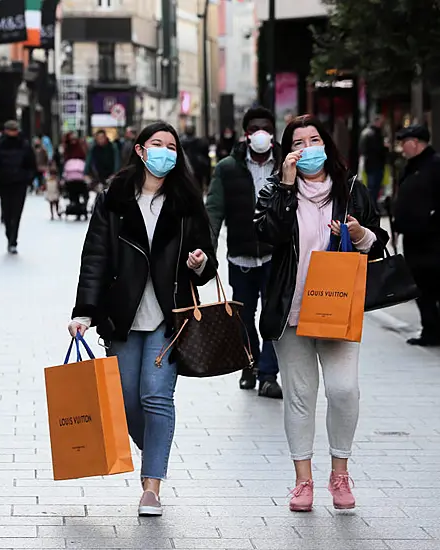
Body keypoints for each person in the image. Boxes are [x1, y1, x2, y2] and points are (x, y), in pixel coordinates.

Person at [68, 122, 217, 516]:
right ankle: (151, 443)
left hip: (170, 316)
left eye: (172, 146)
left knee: (155, 396)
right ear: (139, 150)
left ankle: (151, 486)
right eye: (157, 144)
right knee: (127, 400)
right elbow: (95, 257)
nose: (165, 151)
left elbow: (207, 256)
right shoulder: (114, 198)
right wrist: (84, 312)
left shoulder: (187, 200)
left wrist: (199, 263)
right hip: (123, 315)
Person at [255, 115, 388, 513]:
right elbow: (266, 234)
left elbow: (377, 240)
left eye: (315, 139)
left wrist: (361, 234)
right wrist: (286, 185)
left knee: (344, 390)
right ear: (288, 151)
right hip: (291, 310)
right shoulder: (277, 189)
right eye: (300, 142)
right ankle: (303, 481)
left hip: (337, 307)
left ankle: (340, 471)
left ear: (326, 144)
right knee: (299, 396)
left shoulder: (350, 190)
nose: (309, 147)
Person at [206, 106, 283, 398]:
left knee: (272, 316)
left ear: (272, 132)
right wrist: (208, 251)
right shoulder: (228, 167)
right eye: (254, 129)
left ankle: (268, 374)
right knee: (243, 316)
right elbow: (213, 211)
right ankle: (248, 364)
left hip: (275, 256)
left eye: (265, 127)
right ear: (246, 134)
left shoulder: (285, 163)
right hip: (240, 255)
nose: (260, 133)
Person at [392, 124, 440, 347]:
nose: (402, 147)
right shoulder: (409, 167)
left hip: (432, 240)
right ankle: (430, 331)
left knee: (435, 284)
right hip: (412, 239)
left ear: (416, 142)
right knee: (421, 287)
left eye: (404, 142)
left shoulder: (435, 165)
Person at [0, 120, 36, 255]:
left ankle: (13, 240)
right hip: (4, 183)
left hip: (19, 183)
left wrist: (28, 178)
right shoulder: (0, 146)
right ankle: (9, 234)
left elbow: (31, 164)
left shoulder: (24, 144)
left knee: (16, 213)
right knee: (7, 212)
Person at [359, 115, 388, 205]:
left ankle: (371, 207)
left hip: (372, 165)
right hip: (374, 164)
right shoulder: (373, 134)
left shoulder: (368, 133)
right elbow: (375, 149)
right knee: (373, 188)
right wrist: (385, 148)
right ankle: (371, 207)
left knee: (373, 188)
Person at [181, 125, 211, 193]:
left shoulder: (181, 144)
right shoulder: (201, 142)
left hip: (186, 171)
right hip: (198, 171)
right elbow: (206, 161)